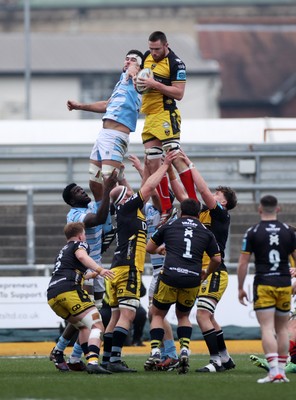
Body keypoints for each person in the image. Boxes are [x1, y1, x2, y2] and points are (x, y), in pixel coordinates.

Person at [101, 150, 178, 373]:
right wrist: (165, 166)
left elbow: (142, 190)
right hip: (128, 267)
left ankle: (107, 358)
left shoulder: (127, 210)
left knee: (115, 315)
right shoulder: (128, 208)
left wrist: (129, 172)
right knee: (129, 314)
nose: (132, 194)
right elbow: (149, 187)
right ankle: (115, 359)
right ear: (124, 198)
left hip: (117, 267)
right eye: (128, 193)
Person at [170, 152, 238, 372]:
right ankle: (225, 358)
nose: (213, 195)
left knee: (201, 315)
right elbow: (182, 195)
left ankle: (215, 362)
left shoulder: (221, 215)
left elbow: (202, 190)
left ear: (224, 202)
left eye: (218, 194)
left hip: (215, 271)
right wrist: (169, 166)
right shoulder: (201, 214)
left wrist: (188, 164)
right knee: (209, 317)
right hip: (205, 271)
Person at [145, 198, 221, 374]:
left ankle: (156, 351)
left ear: (180, 212)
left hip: (170, 276)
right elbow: (217, 259)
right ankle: (185, 350)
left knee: (157, 314)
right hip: (192, 278)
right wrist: (206, 272)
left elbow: (149, 247)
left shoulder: (170, 225)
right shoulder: (206, 231)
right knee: (183, 316)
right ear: (199, 214)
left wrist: (161, 249)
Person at [50, 172, 117, 371]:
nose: (82, 191)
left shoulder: (88, 206)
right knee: (86, 314)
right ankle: (61, 350)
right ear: (72, 201)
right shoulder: (75, 216)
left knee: (89, 315)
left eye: (81, 188)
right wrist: (106, 190)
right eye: (78, 191)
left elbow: (106, 212)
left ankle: (73, 357)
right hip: (86, 267)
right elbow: (99, 218)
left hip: (95, 265)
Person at [137, 31, 198, 225]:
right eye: (151, 49)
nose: (153, 53)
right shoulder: (146, 57)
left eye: (157, 49)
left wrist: (154, 83)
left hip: (166, 113)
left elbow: (179, 93)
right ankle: (167, 207)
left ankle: (193, 202)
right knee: (153, 162)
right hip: (149, 116)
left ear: (166, 45)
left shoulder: (176, 63)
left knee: (176, 157)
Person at [237, 195, 296, 383]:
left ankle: (273, 372)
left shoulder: (252, 232)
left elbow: (243, 263)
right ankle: (282, 372)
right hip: (284, 284)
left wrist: (240, 287)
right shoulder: (289, 232)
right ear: (278, 209)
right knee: (282, 330)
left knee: (267, 328)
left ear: (259, 209)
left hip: (264, 284)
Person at [67, 49, 143, 192]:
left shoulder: (140, 78)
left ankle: (131, 210)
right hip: (104, 134)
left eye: (133, 59)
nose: (128, 61)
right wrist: (80, 106)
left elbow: (136, 71)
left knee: (109, 181)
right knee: (95, 181)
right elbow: (107, 105)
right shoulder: (123, 80)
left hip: (116, 136)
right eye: (127, 58)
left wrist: (134, 68)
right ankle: (102, 213)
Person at [129, 154, 179, 369]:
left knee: (155, 312)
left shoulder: (166, 210)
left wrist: (149, 169)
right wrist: (142, 170)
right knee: (154, 312)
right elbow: (147, 190)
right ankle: (169, 353)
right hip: (157, 268)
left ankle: (167, 353)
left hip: (165, 269)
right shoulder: (149, 209)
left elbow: (156, 194)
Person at [47, 222, 114, 374]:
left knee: (83, 326)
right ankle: (93, 362)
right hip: (69, 291)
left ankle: (71, 356)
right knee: (97, 325)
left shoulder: (62, 251)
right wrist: (99, 269)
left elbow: (72, 271)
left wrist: (92, 274)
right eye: (84, 234)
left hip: (53, 295)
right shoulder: (80, 244)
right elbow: (82, 256)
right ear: (80, 235)